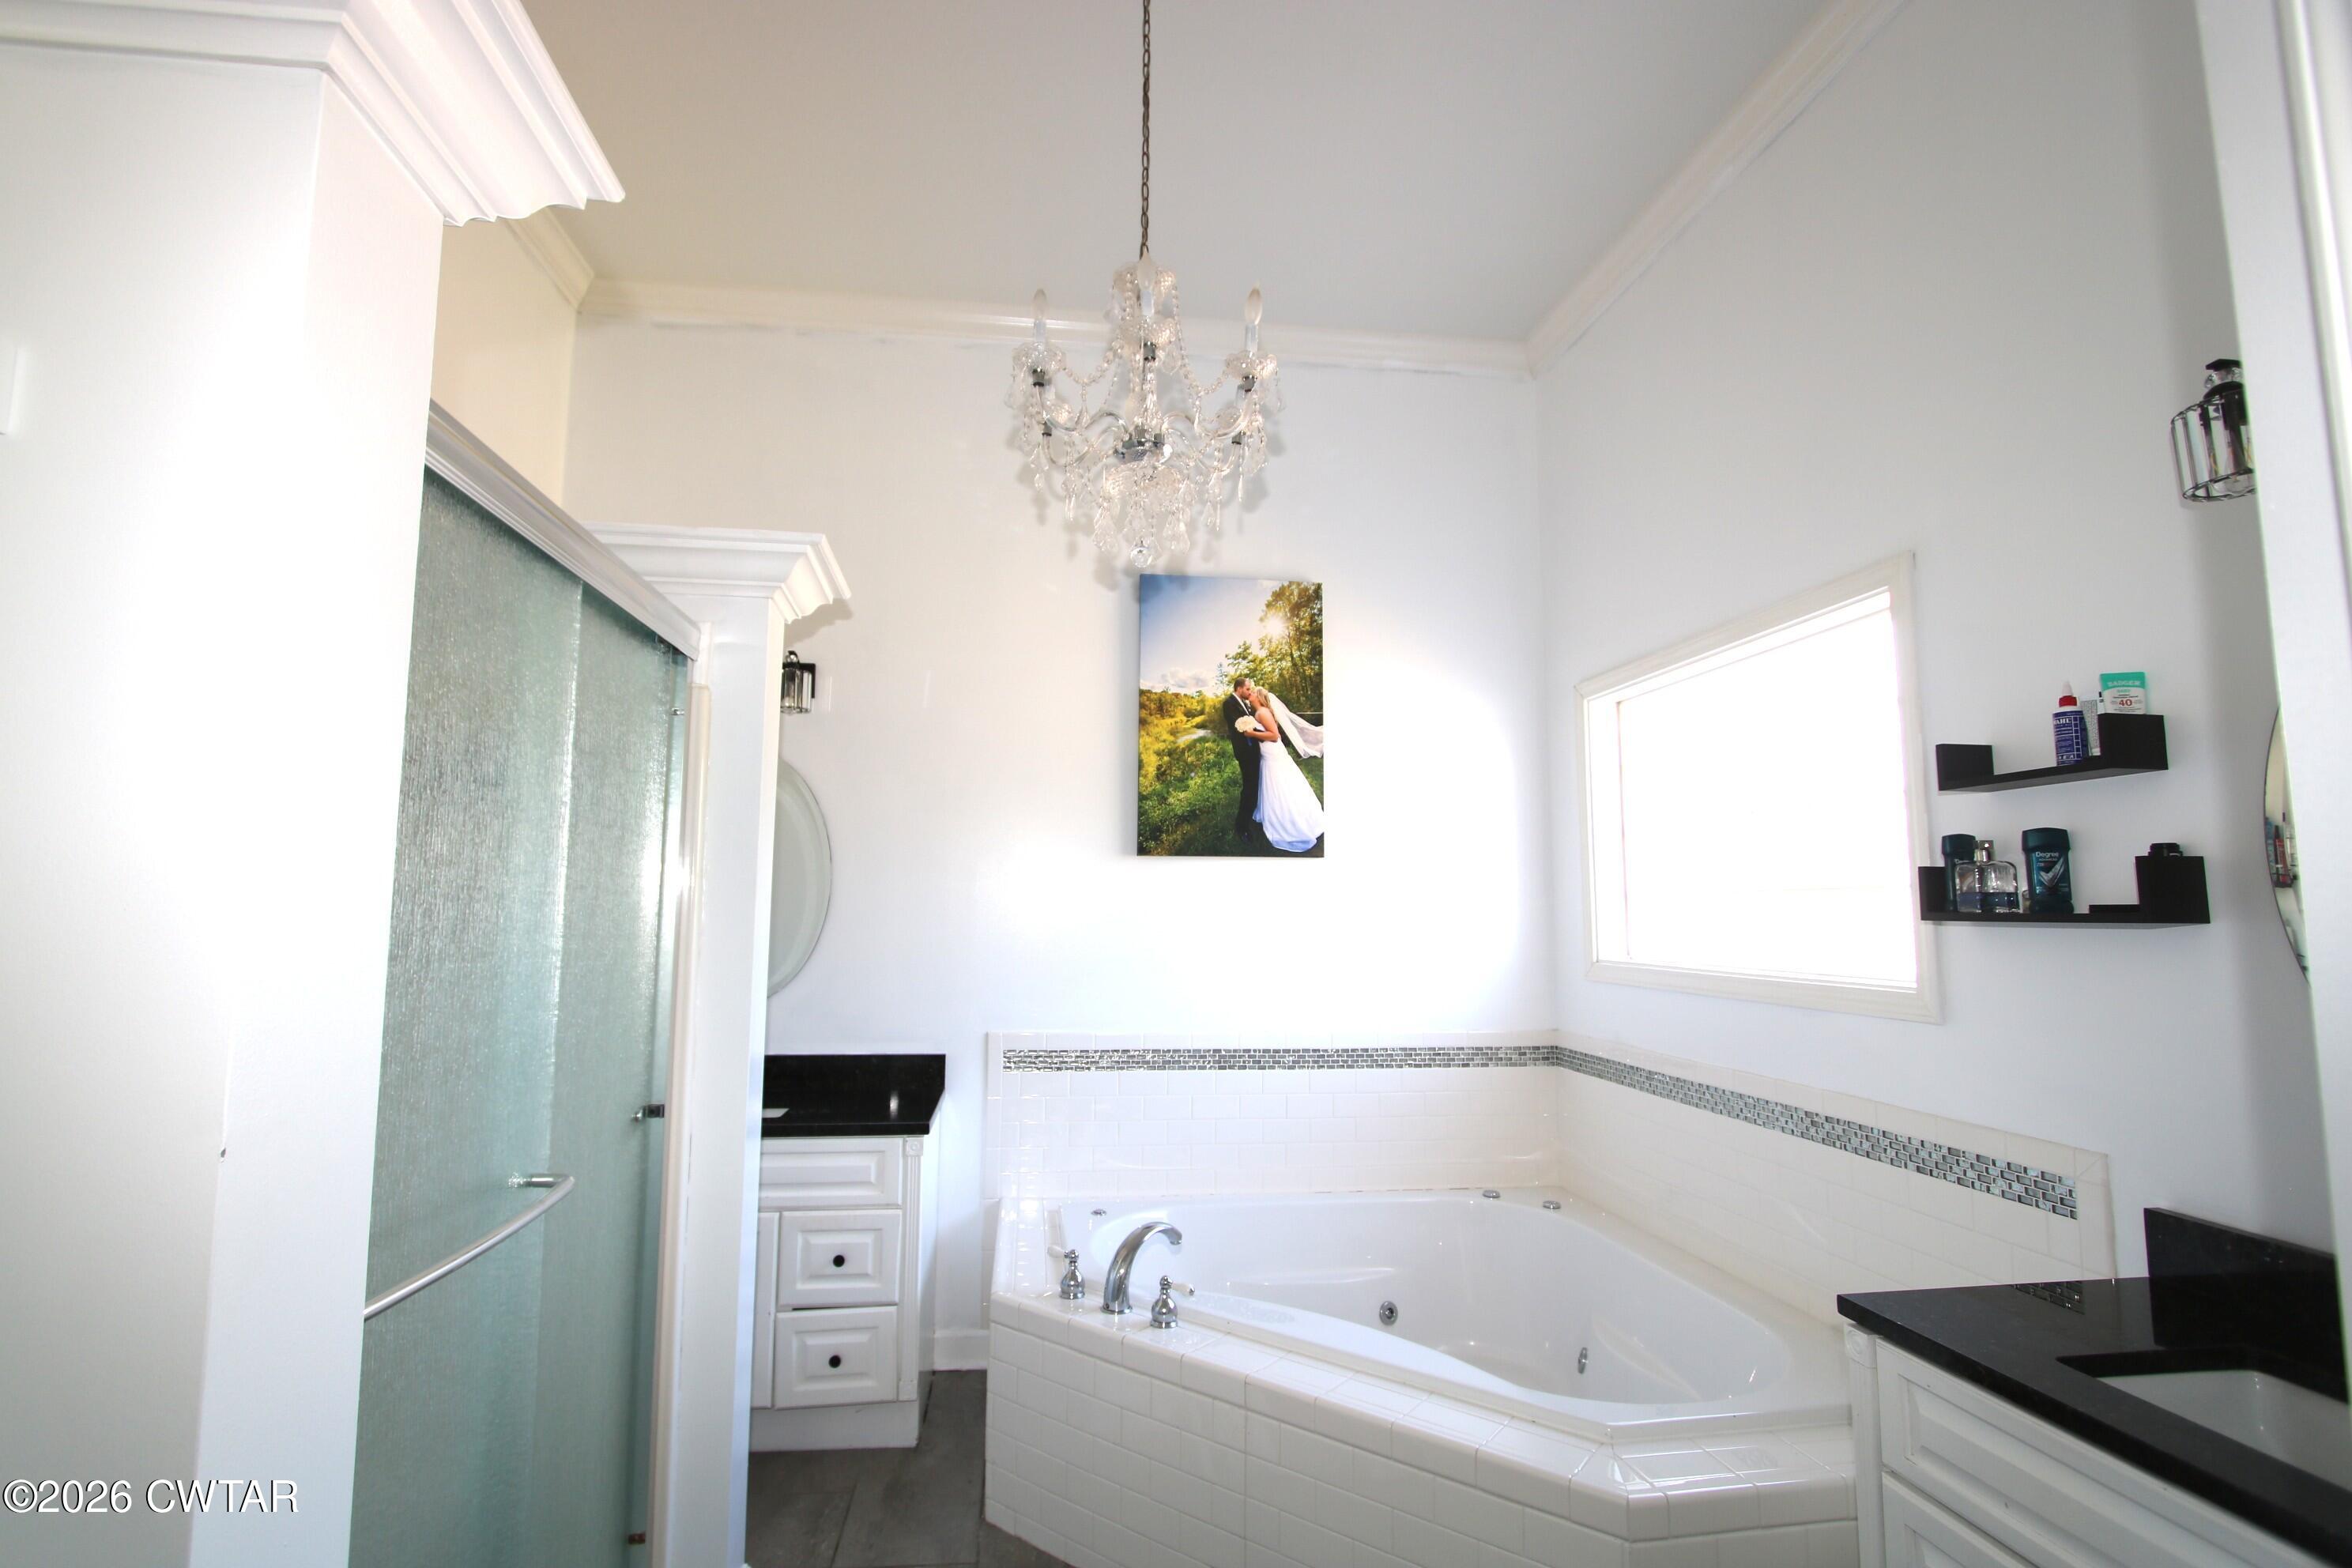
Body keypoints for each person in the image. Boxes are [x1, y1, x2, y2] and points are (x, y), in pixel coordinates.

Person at [1234, 679, 1325, 854]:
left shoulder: (1262, 712)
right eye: (1249, 691)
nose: (1250, 693)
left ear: (1259, 697)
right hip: (1269, 752)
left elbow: (1275, 736)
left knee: (1280, 783)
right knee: (1273, 782)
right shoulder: (1259, 711)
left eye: (1253, 692)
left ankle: (1289, 820)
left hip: (1272, 752)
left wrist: (1251, 733)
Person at [1219, 675, 1265, 850]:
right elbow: (1240, 725)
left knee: (1254, 787)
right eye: (1248, 689)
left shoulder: (1245, 703)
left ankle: (1252, 815)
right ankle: (1242, 827)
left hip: (1253, 751)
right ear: (1239, 688)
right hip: (1245, 753)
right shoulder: (1229, 704)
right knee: (1249, 789)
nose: (1249, 691)